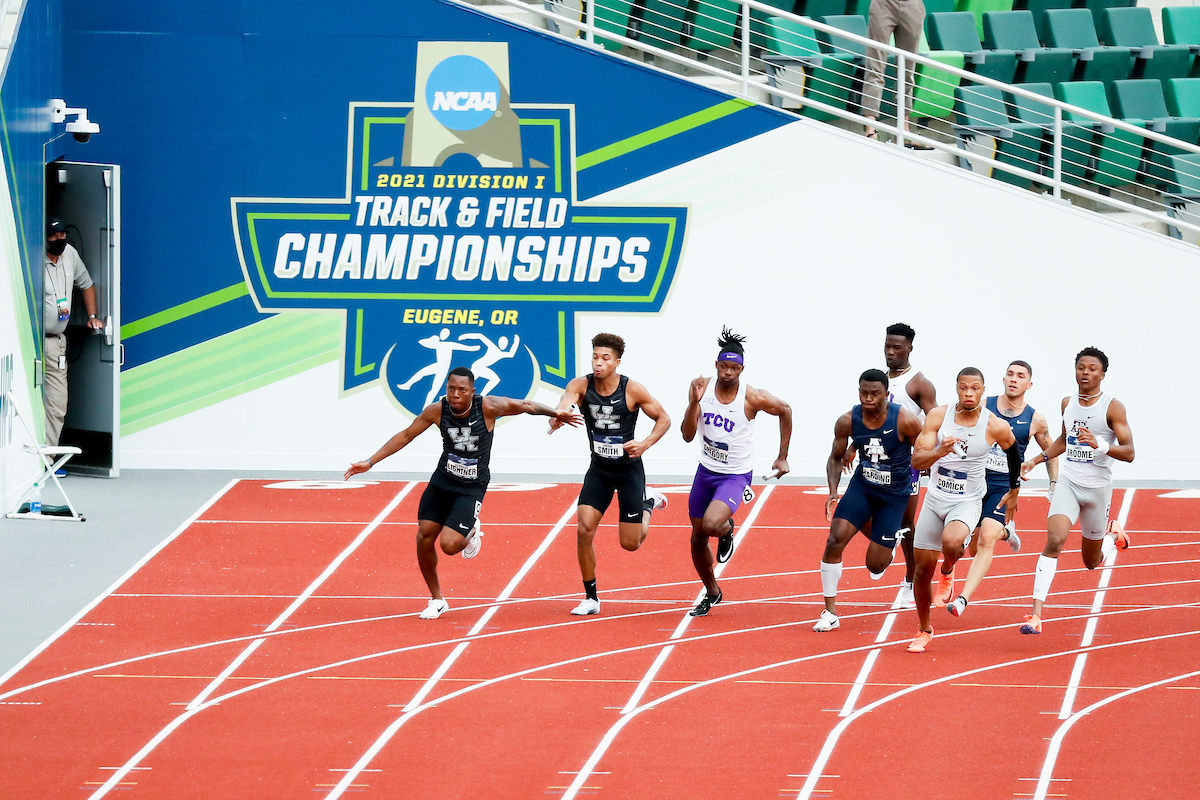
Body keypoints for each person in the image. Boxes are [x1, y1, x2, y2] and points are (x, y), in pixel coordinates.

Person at [345, 367, 582, 620]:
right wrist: (370, 462)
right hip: (442, 481)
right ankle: (437, 599)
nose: (455, 394)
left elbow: (525, 405)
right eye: (451, 389)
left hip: (471, 487)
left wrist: (556, 412)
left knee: (448, 546)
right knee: (424, 537)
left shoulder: (489, 407)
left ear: (472, 392)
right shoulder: (437, 410)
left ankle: (469, 531)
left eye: (462, 390)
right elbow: (405, 435)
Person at [549, 333, 671, 616]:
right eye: (595, 356)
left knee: (630, 544)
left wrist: (644, 444)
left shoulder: (632, 390)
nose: (598, 363)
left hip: (628, 470)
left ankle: (648, 502)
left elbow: (663, 419)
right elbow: (566, 401)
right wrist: (558, 416)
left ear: (617, 361)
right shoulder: (581, 385)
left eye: (605, 358)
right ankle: (591, 597)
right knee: (583, 528)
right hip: (599, 470)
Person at [1017, 347, 1135, 635]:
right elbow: (1063, 438)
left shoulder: (1112, 407)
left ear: (1102, 374)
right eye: (1081, 367)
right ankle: (1035, 615)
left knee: (1091, 562)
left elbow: (1130, 452)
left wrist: (1100, 445)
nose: (1086, 372)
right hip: (1068, 483)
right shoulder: (1067, 403)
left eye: (1092, 369)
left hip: (1097, 490)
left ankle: (1112, 535)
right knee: (1055, 540)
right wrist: (1035, 459)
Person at [906, 367, 1020, 653]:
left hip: (967, 500)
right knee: (921, 571)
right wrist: (939, 452)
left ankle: (948, 569)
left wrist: (1014, 490)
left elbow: (1013, 451)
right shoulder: (937, 417)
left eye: (975, 388)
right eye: (964, 388)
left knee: (952, 542)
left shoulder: (993, 425)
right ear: (956, 388)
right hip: (935, 499)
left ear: (983, 390)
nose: (969, 393)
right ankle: (924, 629)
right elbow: (918, 462)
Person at [680, 329, 792, 617]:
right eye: (723, 366)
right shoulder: (700, 389)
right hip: (706, 471)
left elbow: (786, 410)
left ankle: (727, 529)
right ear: (716, 365)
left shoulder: (752, 397)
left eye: (735, 368)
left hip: (735, 475)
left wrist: (782, 457)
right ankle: (712, 591)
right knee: (697, 538)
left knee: (711, 523)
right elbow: (687, 436)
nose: (728, 373)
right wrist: (693, 402)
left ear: (742, 369)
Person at [947, 360, 1056, 617]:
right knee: (971, 547)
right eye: (1010, 374)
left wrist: (1053, 484)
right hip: (973, 481)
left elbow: (1051, 451)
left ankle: (962, 599)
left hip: (1003, 486)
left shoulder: (1035, 420)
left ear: (1029, 384)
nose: (1013, 379)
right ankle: (1008, 533)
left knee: (986, 539)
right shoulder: (984, 406)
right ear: (1003, 379)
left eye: (1020, 376)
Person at [816, 369, 922, 631]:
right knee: (835, 537)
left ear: (887, 395)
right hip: (863, 487)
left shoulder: (905, 420)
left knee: (875, 566)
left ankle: (889, 539)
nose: (868, 398)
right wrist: (833, 491)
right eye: (864, 393)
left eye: (875, 394)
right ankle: (830, 612)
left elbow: (923, 449)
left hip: (894, 495)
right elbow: (834, 458)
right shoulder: (847, 421)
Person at [881, 322, 938, 607]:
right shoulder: (878, 379)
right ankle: (885, 540)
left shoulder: (918, 382)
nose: (890, 353)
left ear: (909, 349)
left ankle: (910, 580)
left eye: (897, 348)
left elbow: (935, 419)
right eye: (887, 347)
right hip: (878, 459)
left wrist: (926, 451)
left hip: (906, 463)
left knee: (907, 523)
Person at [43, 216, 103, 447]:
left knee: (57, 403)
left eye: (62, 235)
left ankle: (48, 458)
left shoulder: (69, 253)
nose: (60, 240)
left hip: (56, 341)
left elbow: (86, 284)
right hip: (34, 342)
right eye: (54, 237)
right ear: (45, 239)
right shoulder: (34, 257)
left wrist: (92, 316)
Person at [861, 0, 929, 147]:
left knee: (907, 72)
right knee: (875, 67)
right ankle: (870, 129)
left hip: (912, 5)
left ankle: (904, 131)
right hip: (883, 4)